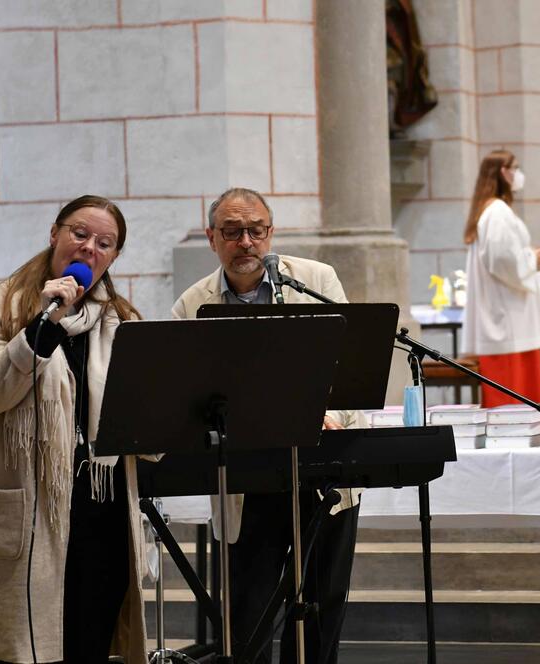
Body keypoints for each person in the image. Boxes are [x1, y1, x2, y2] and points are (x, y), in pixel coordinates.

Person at [0, 195, 150, 664]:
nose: (89, 247)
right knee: (22, 647)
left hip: (102, 510)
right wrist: (45, 321)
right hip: (29, 508)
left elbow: (144, 418)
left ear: (113, 256)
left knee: (88, 643)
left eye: (105, 242)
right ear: (54, 234)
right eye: (79, 233)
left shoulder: (122, 321)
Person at [172, 187, 365, 664]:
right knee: (249, 612)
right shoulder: (192, 303)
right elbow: (183, 394)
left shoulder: (316, 279)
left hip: (321, 468)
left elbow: (346, 368)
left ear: (270, 233)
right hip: (244, 475)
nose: (246, 242)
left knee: (322, 603)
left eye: (255, 230)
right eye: (233, 232)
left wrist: (330, 415)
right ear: (212, 238)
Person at [460, 149, 540, 407]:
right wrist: (530, 259)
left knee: (519, 398)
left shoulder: (490, 210)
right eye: (514, 167)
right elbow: (502, 259)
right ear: (502, 172)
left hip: (509, 317)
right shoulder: (498, 211)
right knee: (512, 402)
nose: (518, 173)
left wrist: (526, 255)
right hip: (508, 319)